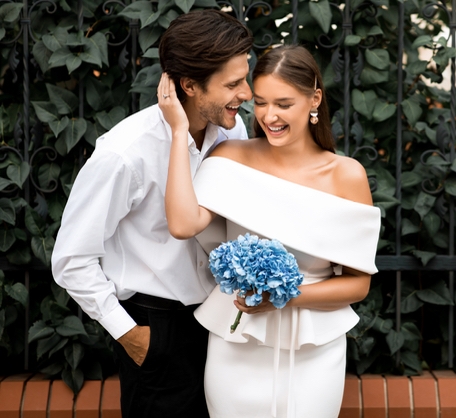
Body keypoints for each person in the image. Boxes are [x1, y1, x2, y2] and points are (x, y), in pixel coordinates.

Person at [50, 10, 253, 418]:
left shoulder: (233, 131)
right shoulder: (125, 152)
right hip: (156, 331)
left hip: (221, 323)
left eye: (244, 78)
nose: (246, 94)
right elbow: (71, 260)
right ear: (189, 85)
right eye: (232, 84)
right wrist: (132, 336)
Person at [160, 45, 381, 418]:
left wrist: (284, 297)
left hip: (315, 347)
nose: (269, 116)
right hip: (236, 341)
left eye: (283, 103)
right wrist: (179, 131)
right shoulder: (230, 157)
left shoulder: (347, 175)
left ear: (315, 99)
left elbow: (358, 285)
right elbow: (182, 224)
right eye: (260, 103)